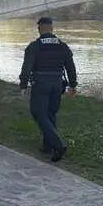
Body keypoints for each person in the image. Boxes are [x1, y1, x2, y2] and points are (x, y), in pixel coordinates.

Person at [18, 17, 77, 163]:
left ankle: (58, 145)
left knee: (38, 113)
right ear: (51, 28)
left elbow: (27, 68)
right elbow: (70, 66)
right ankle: (48, 146)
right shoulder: (63, 46)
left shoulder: (35, 46)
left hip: (41, 83)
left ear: (39, 28)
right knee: (50, 113)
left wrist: (23, 85)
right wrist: (73, 85)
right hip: (57, 83)